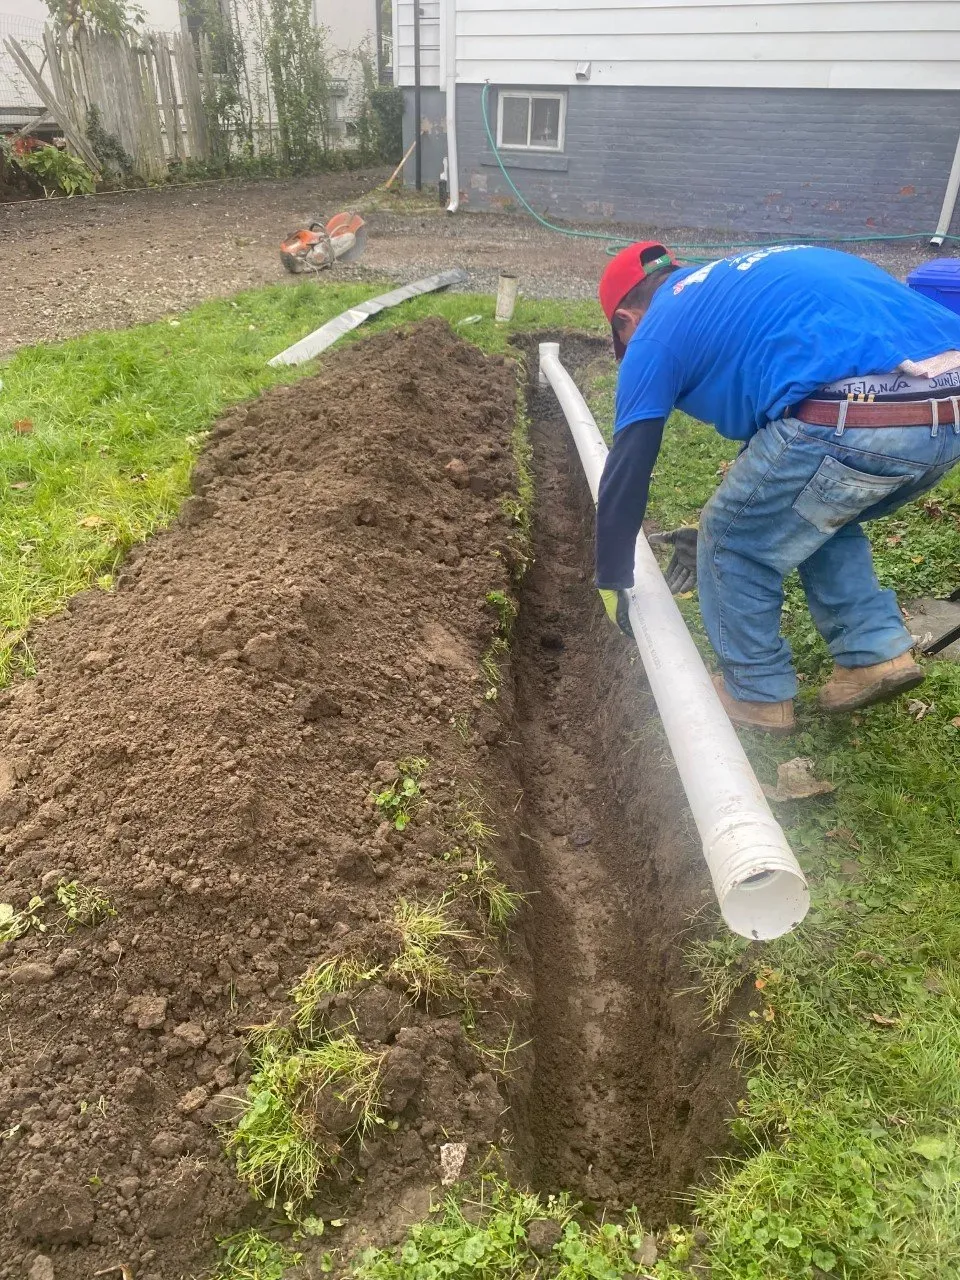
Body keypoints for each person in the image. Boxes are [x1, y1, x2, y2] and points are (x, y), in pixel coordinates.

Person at [595, 241, 960, 735]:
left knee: (730, 539)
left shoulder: (654, 334)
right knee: (816, 506)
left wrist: (614, 575)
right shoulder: (735, 283)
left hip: (860, 415)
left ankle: (756, 695)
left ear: (625, 320)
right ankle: (873, 653)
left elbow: (628, 464)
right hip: (947, 411)